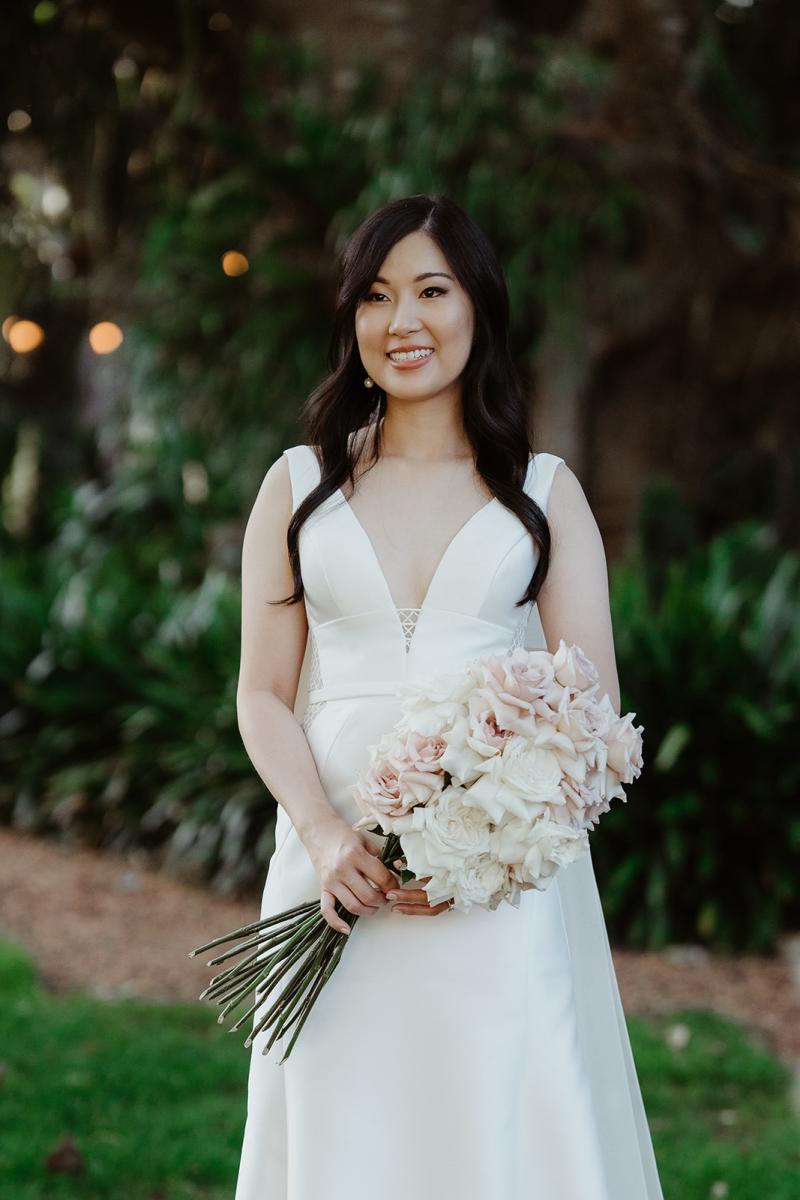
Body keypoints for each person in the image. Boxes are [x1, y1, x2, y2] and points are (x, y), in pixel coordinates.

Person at [233, 193, 664, 1199]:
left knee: (494, 1127)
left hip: (493, 897)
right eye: (375, 297)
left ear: (478, 308)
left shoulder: (543, 495)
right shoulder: (297, 488)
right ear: (350, 320)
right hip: (331, 874)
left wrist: (483, 849)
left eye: (432, 290)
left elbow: (588, 718)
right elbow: (261, 693)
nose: (403, 322)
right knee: (341, 1126)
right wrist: (326, 835)